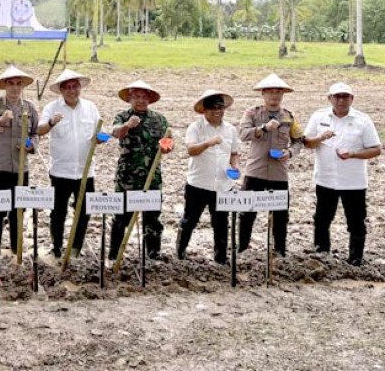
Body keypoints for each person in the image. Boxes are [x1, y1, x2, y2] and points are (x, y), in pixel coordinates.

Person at [303, 82, 381, 265]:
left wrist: (353, 154)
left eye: (345, 97)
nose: (341, 100)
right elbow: (306, 142)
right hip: (325, 178)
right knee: (322, 219)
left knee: (356, 222)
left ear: (352, 99)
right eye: (337, 96)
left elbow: (376, 149)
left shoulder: (363, 120)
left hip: (353, 181)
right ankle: (321, 255)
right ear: (329, 98)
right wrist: (320, 138)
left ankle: (355, 259)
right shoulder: (319, 116)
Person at [238, 73, 304, 257]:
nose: (274, 96)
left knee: (280, 215)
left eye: (278, 93)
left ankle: (280, 251)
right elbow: (242, 134)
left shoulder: (289, 117)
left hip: (278, 173)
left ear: (283, 95)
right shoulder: (252, 113)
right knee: (247, 211)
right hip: (255, 170)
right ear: (263, 94)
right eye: (270, 92)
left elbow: (299, 141)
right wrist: (263, 128)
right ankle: (242, 248)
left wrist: (289, 153)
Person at [37, 69, 101, 259]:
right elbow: (40, 131)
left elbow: (100, 130)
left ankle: (75, 247)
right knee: (58, 211)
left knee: (83, 211)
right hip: (60, 170)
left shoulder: (90, 107)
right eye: (68, 88)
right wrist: (51, 123)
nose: (72, 91)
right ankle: (56, 246)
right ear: (61, 90)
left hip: (85, 171)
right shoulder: (52, 108)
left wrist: (101, 138)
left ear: (80, 88)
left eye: (75, 87)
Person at [109, 80, 172, 261]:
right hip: (127, 178)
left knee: (152, 218)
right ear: (129, 98)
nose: (140, 100)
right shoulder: (122, 117)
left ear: (150, 99)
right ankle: (114, 255)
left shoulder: (160, 120)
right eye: (136, 96)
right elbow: (115, 132)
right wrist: (127, 125)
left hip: (152, 177)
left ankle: (153, 253)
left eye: (144, 97)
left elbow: (167, 143)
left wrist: (168, 146)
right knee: (121, 218)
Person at [0, 65, 39, 256]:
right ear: (5, 86)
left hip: (21, 168)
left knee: (18, 210)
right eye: (11, 84)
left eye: (18, 84)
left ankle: (16, 249)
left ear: (22, 86)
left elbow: (35, 132)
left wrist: (31, 145)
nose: (14, 88)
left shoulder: (29, 107)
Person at [177, 90, 240, 264]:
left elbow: (234, 152)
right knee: (189, 220)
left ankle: (220, 259)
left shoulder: (230, 129)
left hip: (223, 184)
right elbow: (191, 150)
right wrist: (208, 143)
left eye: (220, 108)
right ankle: (180, 253)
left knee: (221, 223)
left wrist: (234, 166)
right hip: (198, 183)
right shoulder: (195, 127)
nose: (217, 112)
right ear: (204, 110)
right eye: (213, 108)